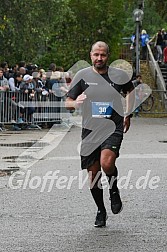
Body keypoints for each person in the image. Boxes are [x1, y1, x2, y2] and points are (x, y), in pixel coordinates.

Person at [65, 41, 134, 227]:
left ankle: (113, 189)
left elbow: (130, 91)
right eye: (96, 55)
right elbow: (68, 102)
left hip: (113, 127)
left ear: (107, 56)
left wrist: (128, 112)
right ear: (91, 55)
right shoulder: (82, 75)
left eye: (103, 55)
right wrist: (76, 103)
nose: (99, 58)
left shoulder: (119, 75)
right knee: (93, 175)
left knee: (107, 162)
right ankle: (101, 210)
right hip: (90, 130)